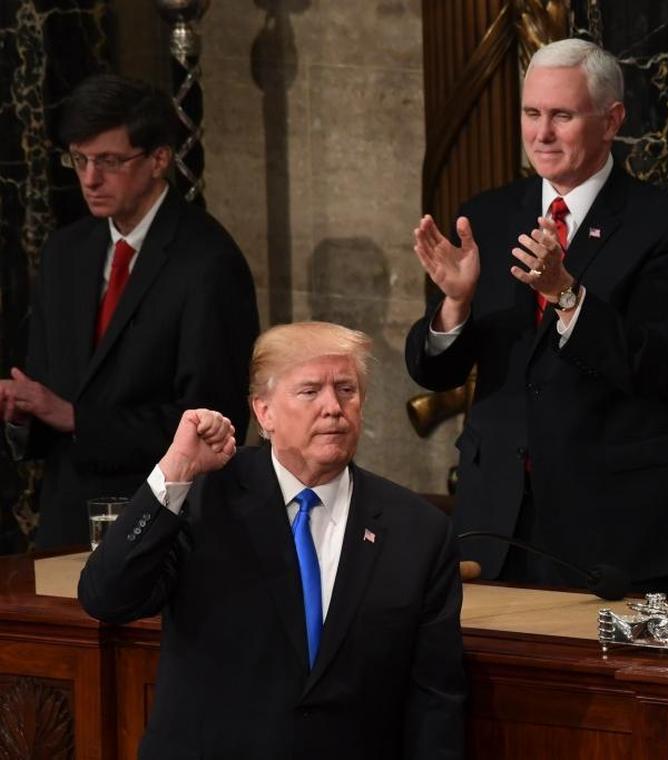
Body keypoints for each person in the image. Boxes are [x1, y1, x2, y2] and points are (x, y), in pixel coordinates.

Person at [405, 39, 668, 593]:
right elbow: (435, 375)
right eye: (531, 114)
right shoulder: (489, 215)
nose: (541, 134)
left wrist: (567, 294)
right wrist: (455, 304)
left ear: (611, 120)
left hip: (613, 526)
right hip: (496, 521)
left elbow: (651, 363)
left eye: (561, 116)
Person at [79, 321, 465, 759]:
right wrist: (176, 469)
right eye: (310, 391)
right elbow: (106, 597)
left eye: (346, 389)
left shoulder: (417, 530)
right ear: (264, 413)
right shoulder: (205, 496)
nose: (333, 407)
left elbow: (435, 703)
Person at [0, 74, 259, 548]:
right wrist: (20, 415)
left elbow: (213, 425)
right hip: (66, 526)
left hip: (161, 529)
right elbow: (48, 400)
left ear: (159, 159)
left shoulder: (209, 262)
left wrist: (77, 418)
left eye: (109, 161)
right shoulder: (65, 253)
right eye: (79, 160)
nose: (89, 178)